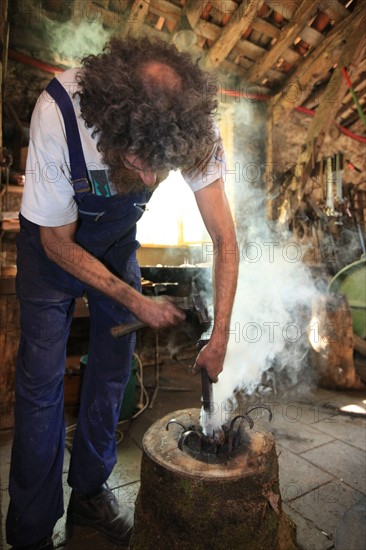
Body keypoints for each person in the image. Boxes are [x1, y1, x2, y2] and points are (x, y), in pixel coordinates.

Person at [6, 36, 238, 549]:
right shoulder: (59, 113)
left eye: (163, 165)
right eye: (139, 160)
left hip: (114, 244)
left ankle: (89, 494)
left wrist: (220, 336)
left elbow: (225, 239)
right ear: (112, 128)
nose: (152, 178)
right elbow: (56, 244)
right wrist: (136, 302)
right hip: (52, 252)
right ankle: (31, 528)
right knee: (41, 387)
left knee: (112, 373)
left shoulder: (191, 127)